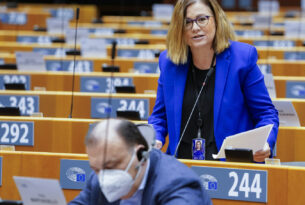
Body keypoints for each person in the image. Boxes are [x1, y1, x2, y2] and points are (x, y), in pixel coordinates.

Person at [148, 0, 279, 162]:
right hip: (181, 167)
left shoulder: (242, 58)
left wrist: (265, 142)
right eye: (187, 22)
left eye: (202, 19)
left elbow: (266, 113)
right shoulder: (169, 63)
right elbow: (159, 116)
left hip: (229, 168)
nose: (195, 28)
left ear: (216, 20)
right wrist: (155, 138)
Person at [69, 119, 211, 205]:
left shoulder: (178, 185)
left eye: (111, 166)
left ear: (140, 155)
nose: (104, 177)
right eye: (96, 169)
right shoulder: (98, 177)